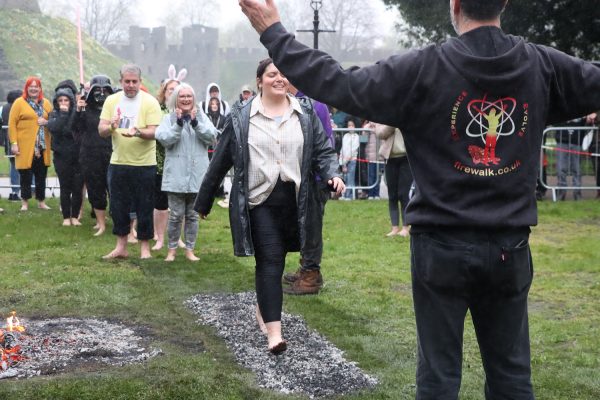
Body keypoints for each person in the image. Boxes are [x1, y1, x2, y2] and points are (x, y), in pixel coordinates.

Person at [239, 0, 600, 397]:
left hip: (441, 247)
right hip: (507, 247)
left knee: (439, 379)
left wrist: (274, 33)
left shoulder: (425, 68)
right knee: (511, 378)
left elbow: (339, 83)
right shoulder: (540, 66)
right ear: (505, 3)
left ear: (455, 5)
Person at [194, 58, 344, 354]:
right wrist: (204, 200)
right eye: (272, 74)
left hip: (295, 201)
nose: (279, 78)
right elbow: (221, 159)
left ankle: (264, 305)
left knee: (279, 261)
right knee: (270, 260)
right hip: (259, 201)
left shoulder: (305, 112)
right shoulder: (241, 116)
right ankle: (275, 334)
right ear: (259, 80)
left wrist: (333, 175)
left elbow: (323, 151)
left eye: (283, 74)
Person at [98, 64, 162, 259]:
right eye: (127, 81)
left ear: (140, 82)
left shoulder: (150, 102)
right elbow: (101, 130)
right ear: (121, 82)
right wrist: (111, 127)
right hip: (118, 163)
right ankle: (121, 246)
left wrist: (138, 132)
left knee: (145, 206)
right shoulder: (112, 101)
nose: (131, 85)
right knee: (118, 207)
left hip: (144, 164)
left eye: (134, 81)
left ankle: (145, 248)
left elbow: (155, 131)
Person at [283, 81, 334, 295]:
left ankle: (311, 276)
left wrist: (323, 175)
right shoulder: (299, 100)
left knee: (312, 226)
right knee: (304, 225)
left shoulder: (314, 103)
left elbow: (323, 143)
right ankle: (306, 267)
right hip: (305, 175)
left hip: (315, 176)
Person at [156, 83, 217, 262]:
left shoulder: (202, 117)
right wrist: (178, 124)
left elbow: (212, 137)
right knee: (175, 215)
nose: (186, 99)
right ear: (176, 99)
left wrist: (196, 123)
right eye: (182, 96)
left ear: (194, 99)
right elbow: (164, 139)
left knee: (192, 216)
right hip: (175, 175)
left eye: (189, 96)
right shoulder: (168, 118)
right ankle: (172, 250)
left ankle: (190, 249)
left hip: (197, 175)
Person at [75, 75, 114, 235]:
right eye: (98, 90)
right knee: (95, 188)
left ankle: (120, 221)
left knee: (114, 188)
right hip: (91, 154)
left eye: (105, 90)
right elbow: (75, 128)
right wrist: (78, 111)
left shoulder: (114, 108)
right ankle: (100, 223)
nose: (101, 94)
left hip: (112, 152)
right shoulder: (86, 108)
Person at [8, 76, 53, 211]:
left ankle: (41, 202)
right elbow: (12, 124)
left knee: (41, 175)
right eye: (31, 86)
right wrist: (14, 143)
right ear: (26, 88)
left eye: (36, 86)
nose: (34, 89)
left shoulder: (46, 103)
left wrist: (46, 122)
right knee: (25, 175)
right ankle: (25, 203)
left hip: (42, 147)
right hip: (25, 146)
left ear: (40, 88)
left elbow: (54, 119)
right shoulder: (19, 103)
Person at [153, 68, 185, 251]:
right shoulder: (158, 110)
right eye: (170, 89)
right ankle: (159, 237)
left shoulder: (186, 111)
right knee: (160, 203)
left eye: (177, 89)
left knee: (179, 204)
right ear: (164, 91)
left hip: (180, 162)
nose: (173, 92)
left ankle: (177, 237)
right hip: (161, 162)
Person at [47, 87, 84, 226]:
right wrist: (63, 114)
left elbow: (71, 128)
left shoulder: (77, 113)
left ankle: (75, 216)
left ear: (71, 101)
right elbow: (55, 128)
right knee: (65, 187)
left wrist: (75, 112)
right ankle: (66, 217)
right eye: (60, 100)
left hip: (77, 156)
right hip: (61, 156)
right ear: (56, 102)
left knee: (77, 188)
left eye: (66, 100)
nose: (63, 103)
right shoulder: (53, 114)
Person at [375, 124, 412, 237]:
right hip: (390, 159)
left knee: (403, 194)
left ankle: (406, 227)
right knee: (392, 195)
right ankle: (394, 228)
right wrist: (393, 123)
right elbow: (380, 133)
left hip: (407, 158)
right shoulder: (386, 116)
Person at [555, 116, 586, 200]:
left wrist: (591, 116)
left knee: (577, 169)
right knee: (561, 168)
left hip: (577, 140)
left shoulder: (581, 108)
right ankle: (561, 193)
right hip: (562, 140)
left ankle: (577, 193)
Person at [1, 90, 22, 201]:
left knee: (14, 166)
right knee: (29, 166)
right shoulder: (18, 107)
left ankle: (15, 191)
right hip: (19, 141)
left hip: (8, 142)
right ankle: (31, 189)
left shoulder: (3, 108)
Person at [339, 117, 360, 200]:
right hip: (344, 160)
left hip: (352, 160)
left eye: (352, 125)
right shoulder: (345, 136)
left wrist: (346, 160)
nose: (350, 127)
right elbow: (342, 148)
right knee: (344, 178)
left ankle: (349, 195)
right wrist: (342, 161)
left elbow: (354, 148)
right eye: (349, 125)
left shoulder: (356, 136)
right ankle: (344, 195)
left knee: (350, 178)